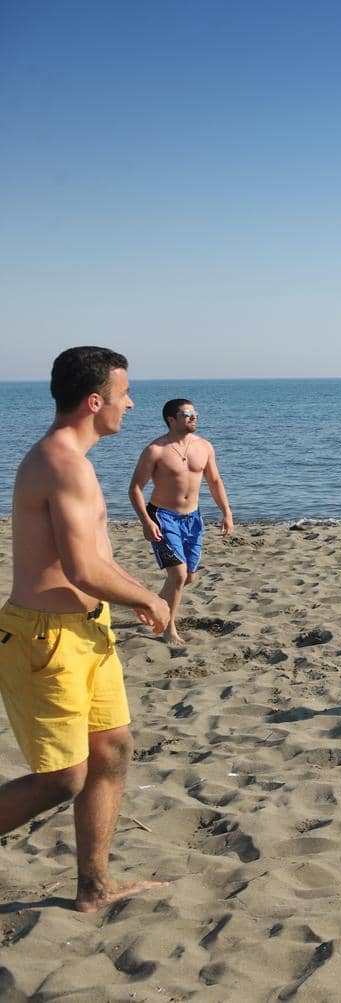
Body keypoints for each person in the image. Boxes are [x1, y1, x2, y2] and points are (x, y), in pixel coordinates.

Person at [0, 347, 170, 912]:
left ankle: (94, 886)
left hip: (88, 631)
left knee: (113, 750)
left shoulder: (80, 459)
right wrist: (147, 595)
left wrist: (140, 592)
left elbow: (99, 557)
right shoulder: (61, 462)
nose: (131, 401)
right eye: (125, 392)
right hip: (44, 639)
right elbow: (81, 570)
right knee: (61, 780)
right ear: (95, 401)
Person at [129, 399, 233, 645]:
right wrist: (146, 521)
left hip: (193, 518)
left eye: (194, 412)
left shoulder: (204, 447)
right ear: (171, 420)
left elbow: (215, 482)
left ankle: (152, 604)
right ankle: (168, 629)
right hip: (163, 516)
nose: (193, 417)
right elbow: (135, 488)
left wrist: (226, 512)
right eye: (187, 414)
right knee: (177, 575)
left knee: (188, 578)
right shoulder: (156, 450)